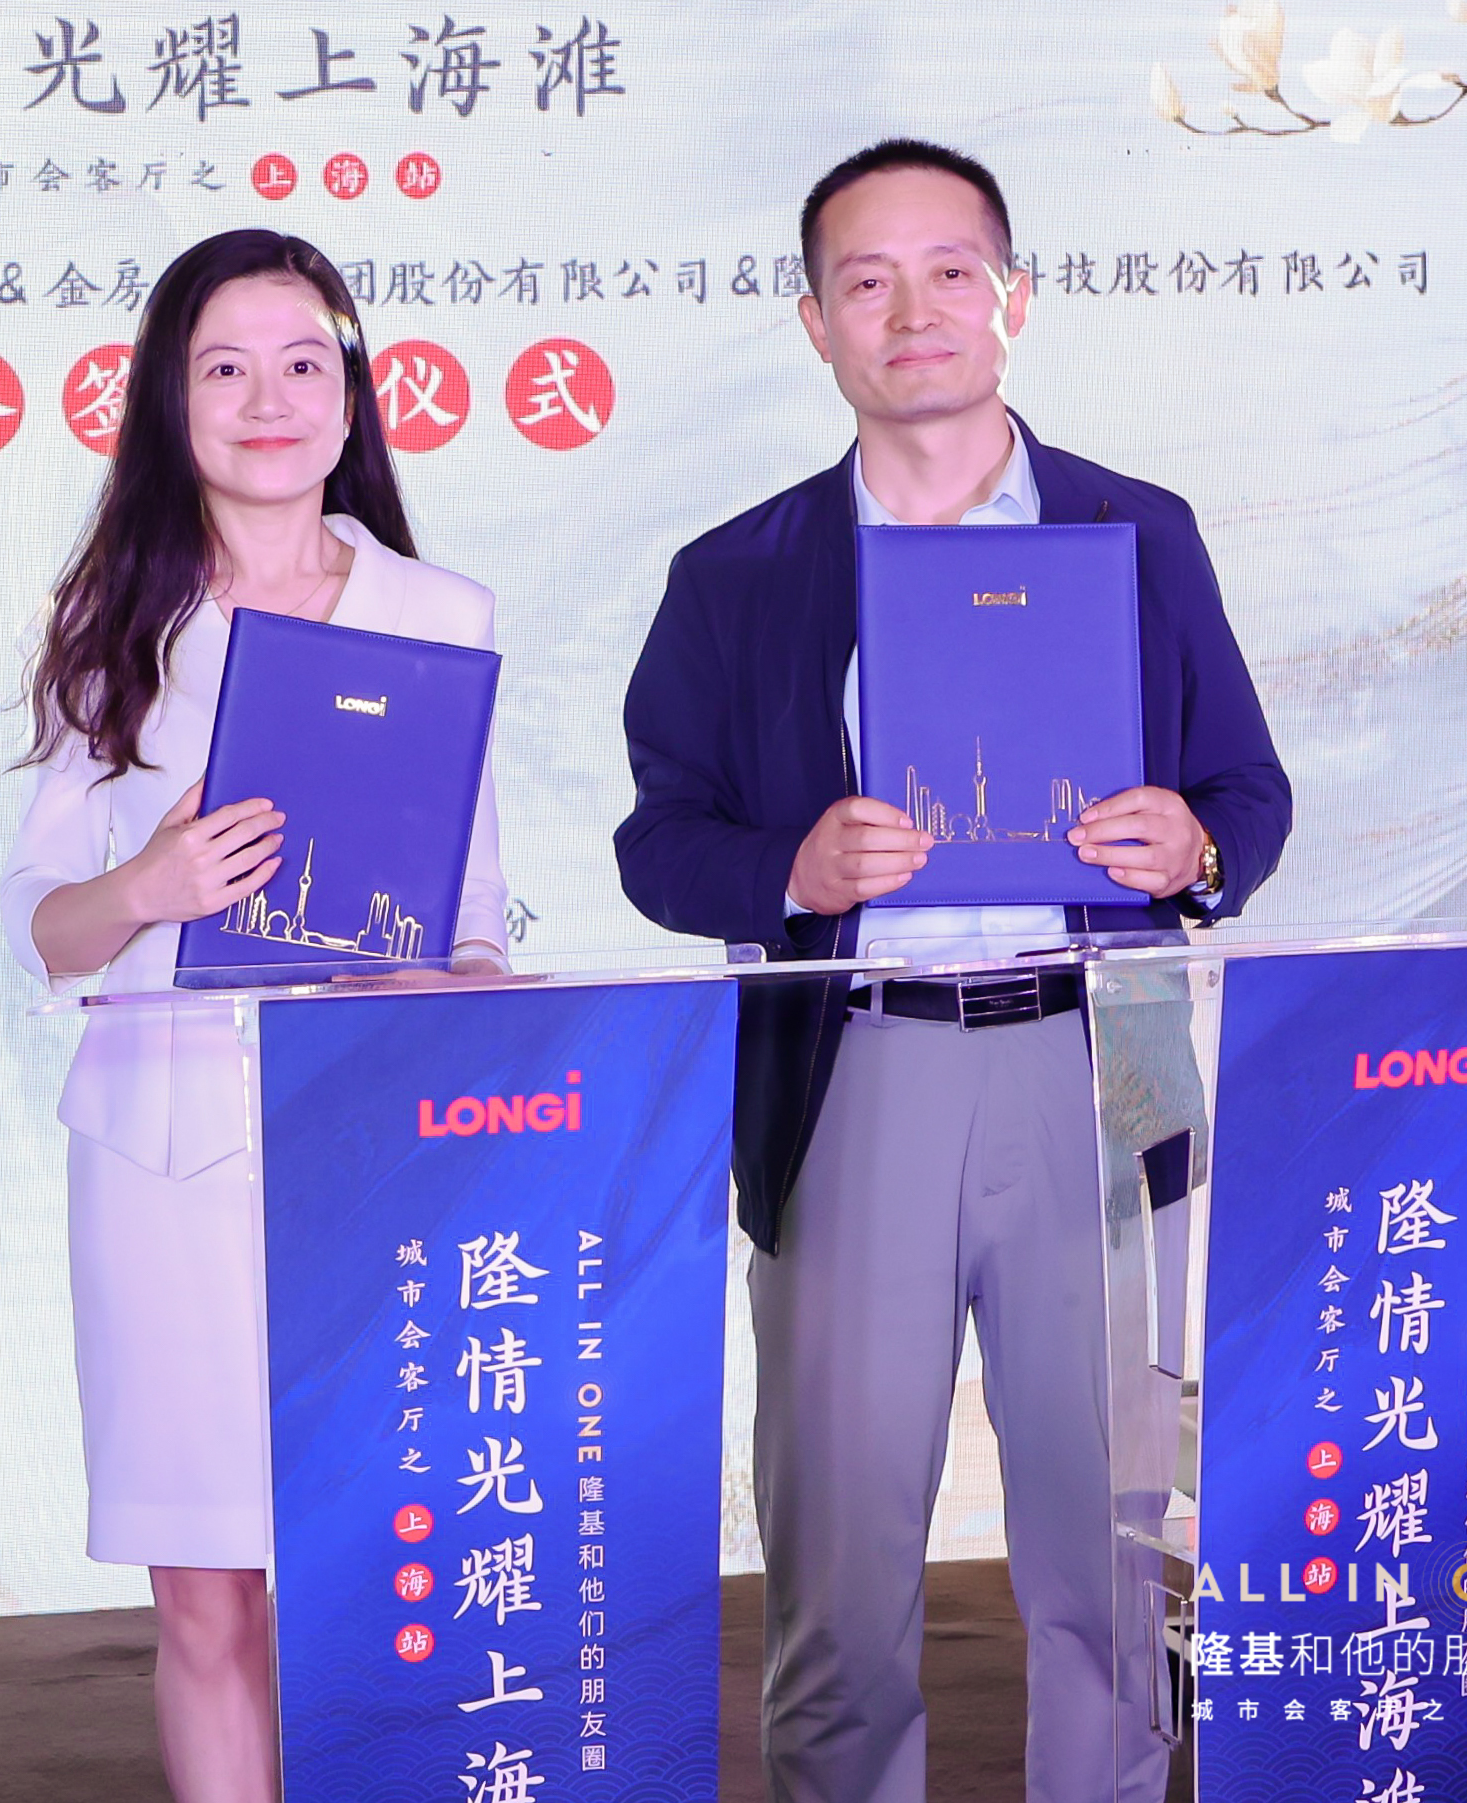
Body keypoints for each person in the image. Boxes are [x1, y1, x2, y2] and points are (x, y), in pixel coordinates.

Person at [613, 139, 1291, 1803]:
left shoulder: (1137, 531)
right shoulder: (738, 572)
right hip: (858, 1064)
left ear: (1015, 298)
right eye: (866, 281)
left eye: (948, 272)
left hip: (1104, 1055)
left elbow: (1249, 796)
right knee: (840, 1567)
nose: (911, 310)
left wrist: (1190, 846)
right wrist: (790, 870)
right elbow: (658, 841)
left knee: (1111, 1550)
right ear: (815, 324)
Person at [0, 228, 509, 1802]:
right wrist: (148, 882)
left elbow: (478, 919)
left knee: (381, 1569)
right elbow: (41, 926)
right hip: (165, 1159)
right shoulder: (112, 622)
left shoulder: (442, 612)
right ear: (171, 400)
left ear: (353, 400)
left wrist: (456, 983)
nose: (267, 399)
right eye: (224, 367)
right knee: (207, 1590)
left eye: (302, 364)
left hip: (378, 1157)